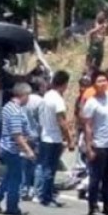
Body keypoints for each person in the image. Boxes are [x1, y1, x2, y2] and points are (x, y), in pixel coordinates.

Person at [0, 83, 35, 215]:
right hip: (12, 149)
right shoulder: (15, 111)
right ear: (24, 95)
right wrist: (28, 151)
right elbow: (17, 135)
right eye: (28, 96)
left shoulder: (8, 107)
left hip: (6, 147)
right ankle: (12, 206)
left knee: (10, 175)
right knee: (16, 179)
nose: (29, 99)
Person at [82, 71, 108, 215]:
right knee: (95, 177)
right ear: (94, 85)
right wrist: (89, 146)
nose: (103, 83)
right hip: (99, 144)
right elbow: (88, 126)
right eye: (99, 81)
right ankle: (93, 207)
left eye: (105, 80)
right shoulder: (91, 103)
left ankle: (107, 205)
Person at [38, 71, 74, 207]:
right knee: (50, 169)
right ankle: (46, 197)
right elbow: (62, 122)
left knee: (44, 167)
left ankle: (43, 193)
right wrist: (69, 139)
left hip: (45, 135)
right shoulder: (58, 100)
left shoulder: (46, 96)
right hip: (54, 138)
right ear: (64, 84)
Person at [20, 80, 45, 201]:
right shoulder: (39, 101)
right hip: (36, 136)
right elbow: (42, 120)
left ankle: (24, 190)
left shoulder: (24, 100)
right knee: (38, 164)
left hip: (25, 136)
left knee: (26, 164)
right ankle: (36, 191)